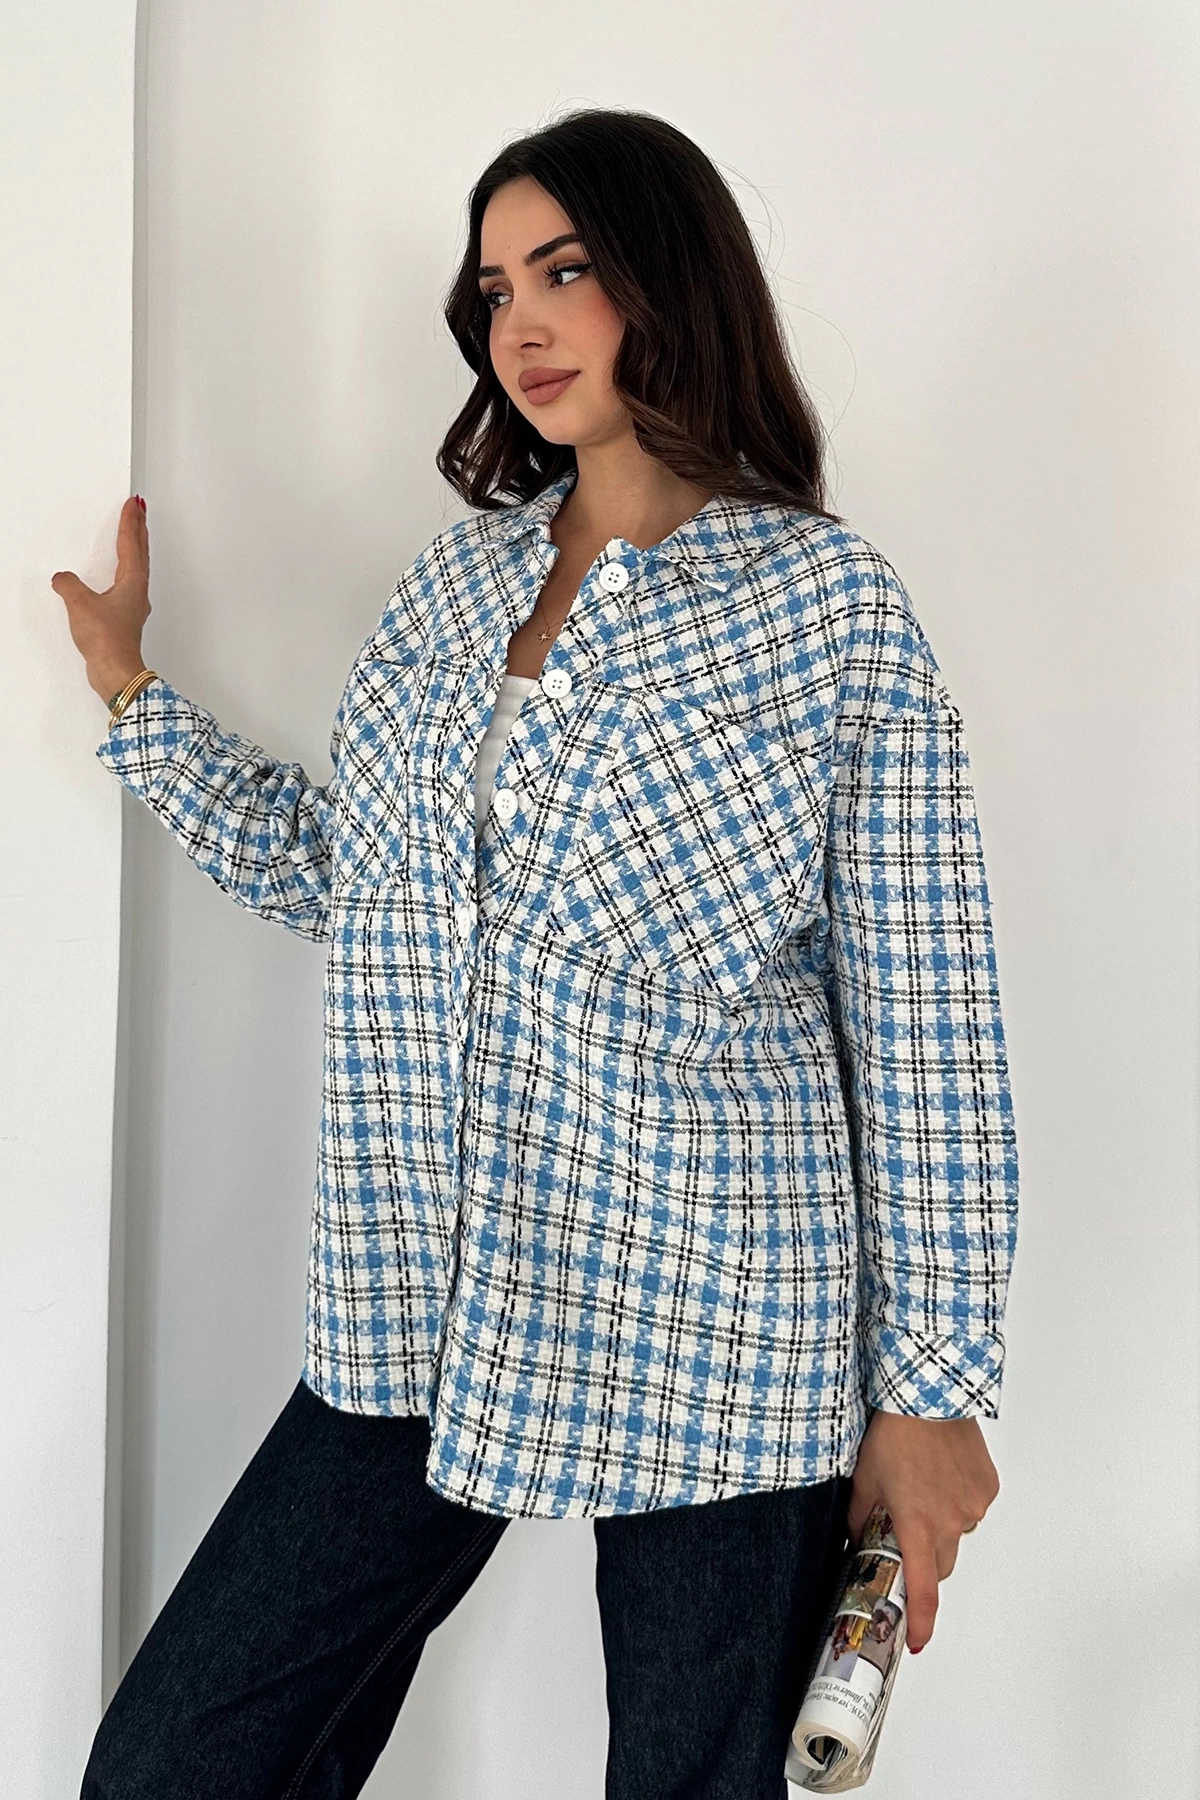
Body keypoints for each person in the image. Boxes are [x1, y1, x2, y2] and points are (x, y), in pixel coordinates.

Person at [53, 106, 1018, 1800]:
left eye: (563, 270)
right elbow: (354, 876)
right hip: (419, 1299)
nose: (522, 324)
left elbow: (926, 1016)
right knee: (175, 1762)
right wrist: (137, 703)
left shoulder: (827, 610)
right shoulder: (449, 591)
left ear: (669, 276)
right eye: (495, 289)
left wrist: (931, 1389)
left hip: (728, 1325)